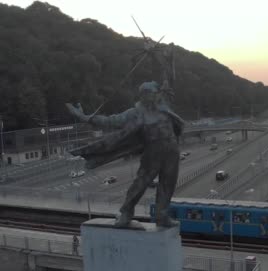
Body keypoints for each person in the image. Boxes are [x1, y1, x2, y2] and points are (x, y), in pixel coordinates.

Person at [66, 81, 185, 228]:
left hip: (172, 149)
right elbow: (110, 121)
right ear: (144, 96)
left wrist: (164, 57)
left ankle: (162, 215)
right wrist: (84, 117)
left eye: (156, 93)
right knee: (140, 184)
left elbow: (168, 74)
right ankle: (126, 213)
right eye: (152, 94)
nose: (155, 96)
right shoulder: (135, 113)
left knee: (168, 184)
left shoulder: (164, 106)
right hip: (153, 150)